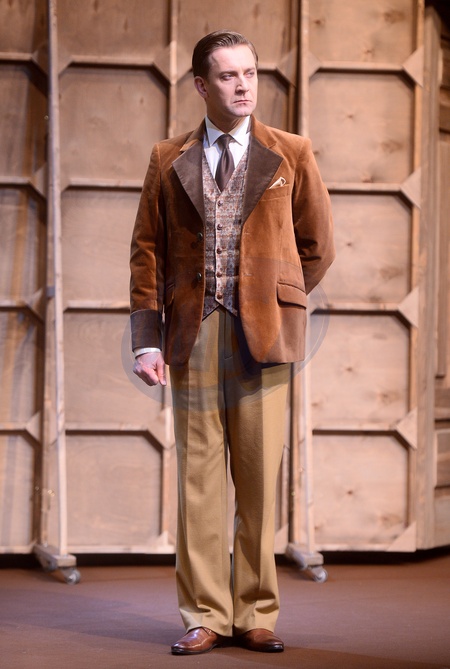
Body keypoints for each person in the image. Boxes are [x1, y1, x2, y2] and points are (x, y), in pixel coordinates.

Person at [129, 30, 334, 655]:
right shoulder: (168, 157)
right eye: (227, 76)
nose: (243, 86)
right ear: (201, 84)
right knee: (198, 480)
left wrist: (277, 297)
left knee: (258, 477)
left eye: (249, 73)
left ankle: (255, 611)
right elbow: (146, 252)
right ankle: (205, 614)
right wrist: (146, 340)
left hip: (263, 335)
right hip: (192, 331)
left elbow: (317, 245)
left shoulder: (291, 152)